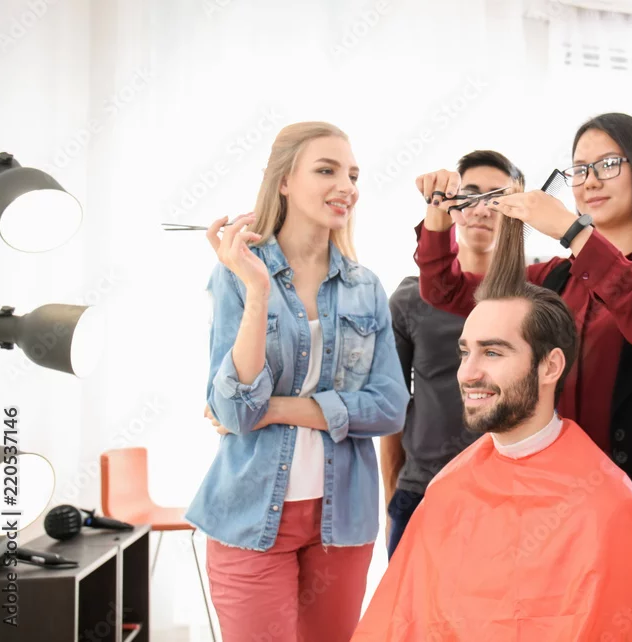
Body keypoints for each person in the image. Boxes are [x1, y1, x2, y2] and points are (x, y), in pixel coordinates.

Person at [413, 112, 632, 636]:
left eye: (608, 164)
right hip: (562, 508)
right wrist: (438, 220)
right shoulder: (552, 277)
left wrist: (575, 234)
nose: (590, 180)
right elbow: (450, 291)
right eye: (579, 169)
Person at [352, 232, 632, 641]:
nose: (468, 373)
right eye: (465, 352)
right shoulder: (444, 496)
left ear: (550, 367)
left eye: (493, 352)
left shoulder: (615, 513)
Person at [186, 121, 409, 642]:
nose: (346, 186)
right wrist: (258, 291)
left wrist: (278, 408)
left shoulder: (365, 287)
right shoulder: (237, 275)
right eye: (327, 171)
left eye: (352, 175)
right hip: (248, 516)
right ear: (284, 181)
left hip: (341, 521)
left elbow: (389, 407)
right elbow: (234, 410)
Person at [381, 150, 525, 559]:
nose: (482, 209)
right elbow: (393, 408)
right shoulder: (410, 299)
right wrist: (391, 498)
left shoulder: (536, 299)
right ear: (453, 207)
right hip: (422, 493)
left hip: (511, 496)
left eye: (496, 198)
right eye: (471, 195)